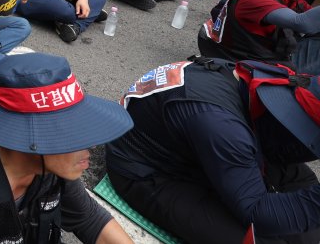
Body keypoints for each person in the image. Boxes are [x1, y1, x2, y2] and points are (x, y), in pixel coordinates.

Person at [0, 53, 134, 244]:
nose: (90, 144)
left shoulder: (54, 163)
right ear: (29, 135)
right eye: (72, 132)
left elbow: (89, 218)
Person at [106, 54, 320, 244]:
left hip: (193, 141)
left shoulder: (276, 82)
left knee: (307, 222)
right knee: (263, 237)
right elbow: (257, 214)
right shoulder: (223, 127)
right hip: (146, 168)